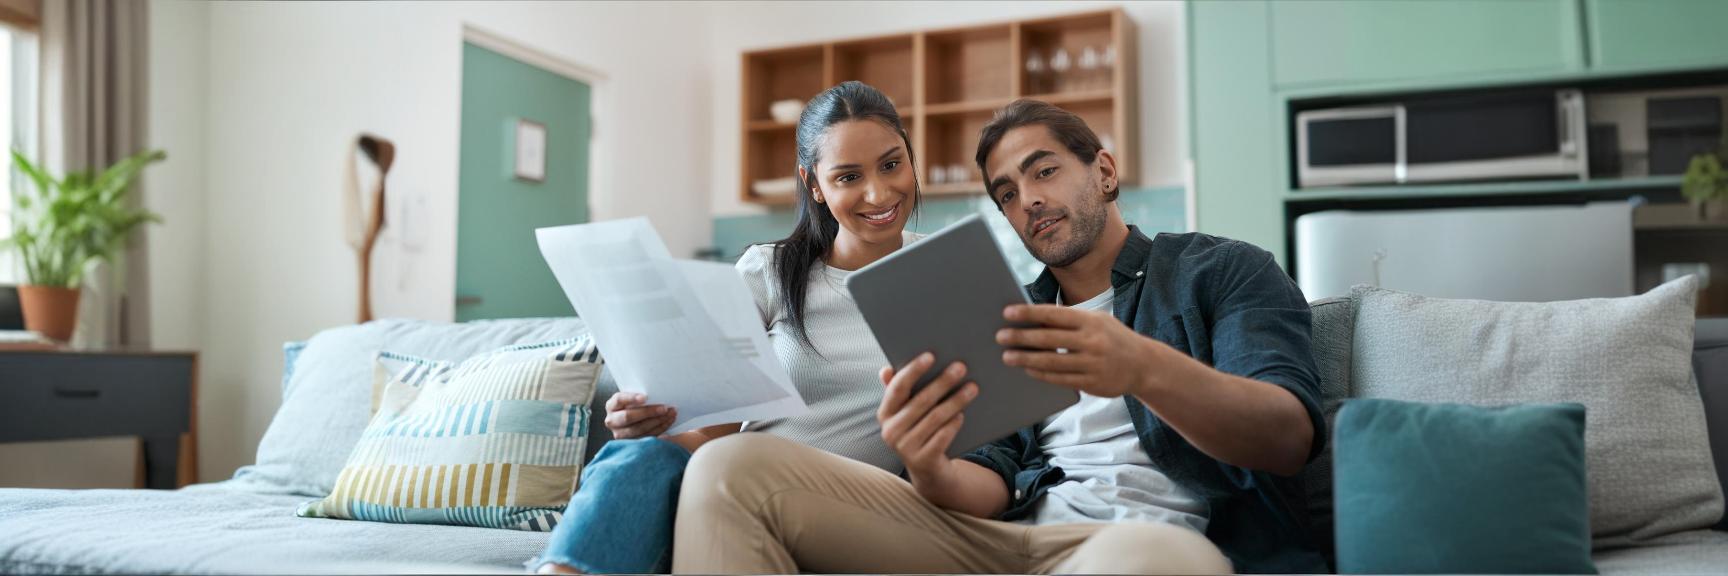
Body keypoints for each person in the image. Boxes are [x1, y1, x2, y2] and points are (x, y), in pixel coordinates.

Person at [672, 99, 1329, 575]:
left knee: (1147, 559)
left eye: (1044, 172)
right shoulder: (1008, 312)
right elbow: (988, 482)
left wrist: (1142, 368)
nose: (1028, 201)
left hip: (1145, 545)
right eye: (1006, 194)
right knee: (729, 469)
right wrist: (929, 465)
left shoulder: (1217, 271)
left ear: (1104, 171)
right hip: (1004, 544)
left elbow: (1287, 438)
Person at [530, 81, 923, 574]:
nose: (878, 192)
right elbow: (709, 439)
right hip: (732, 485)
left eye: (891, 164)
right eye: (848, 176)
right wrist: (652, 428)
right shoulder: (769, 271)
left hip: (845, 511)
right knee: (642, 457)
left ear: (909, 157)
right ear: (814, 185)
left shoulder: (946, 270)